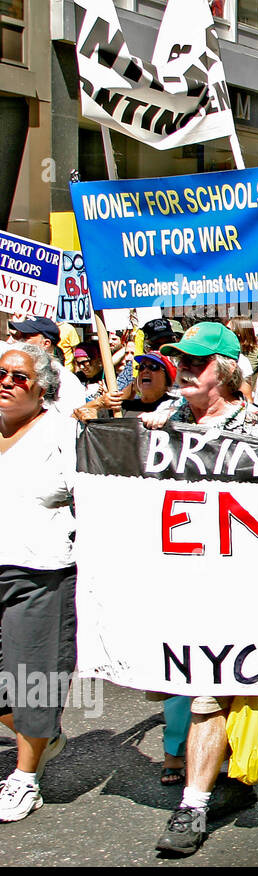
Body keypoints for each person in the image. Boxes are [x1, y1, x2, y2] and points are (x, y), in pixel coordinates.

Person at [144, 322, 258, 855]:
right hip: (175, 582)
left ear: (226, 372)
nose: (181, 368)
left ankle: (193, 804)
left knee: (208, 690)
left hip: (234, 585)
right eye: (178, 359)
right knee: (177, 685)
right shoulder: (161, 425)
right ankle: (222, 778)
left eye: (196, 362)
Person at [0, 343, 76, 822]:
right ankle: (43, 732)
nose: (7, 381)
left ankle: (25, 778)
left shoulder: (64, 432)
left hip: (38, 573)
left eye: (19, 376)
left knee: (31, 679)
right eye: (1, 373)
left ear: (42, 388)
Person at [6, 316, 86, 416]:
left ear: (45, 344)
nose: (18, 342)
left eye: (25, 337)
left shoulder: (66, 380)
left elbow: (70, 420)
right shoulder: (9, 373)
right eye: (18, 337)